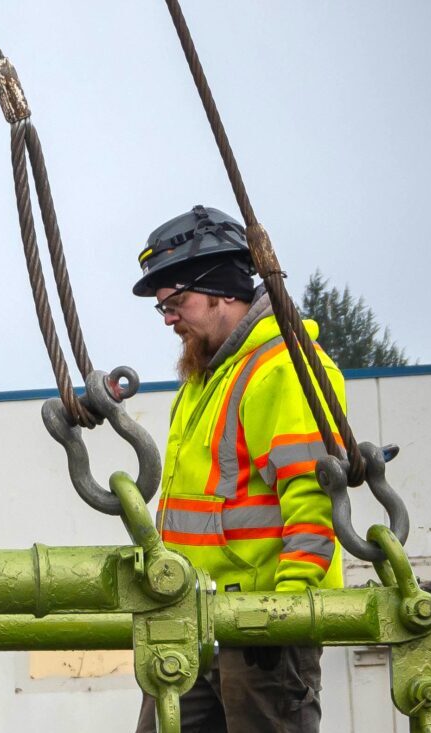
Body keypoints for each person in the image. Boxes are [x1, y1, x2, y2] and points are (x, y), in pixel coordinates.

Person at [132, 206, 345, 732]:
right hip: (195, 620)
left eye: (176, 302)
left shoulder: (286, 369)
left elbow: (313, 501)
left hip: (261, 632)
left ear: (225, 289)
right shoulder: (205, 379)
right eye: (161, 308)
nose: (168, 319)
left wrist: (287, 616)